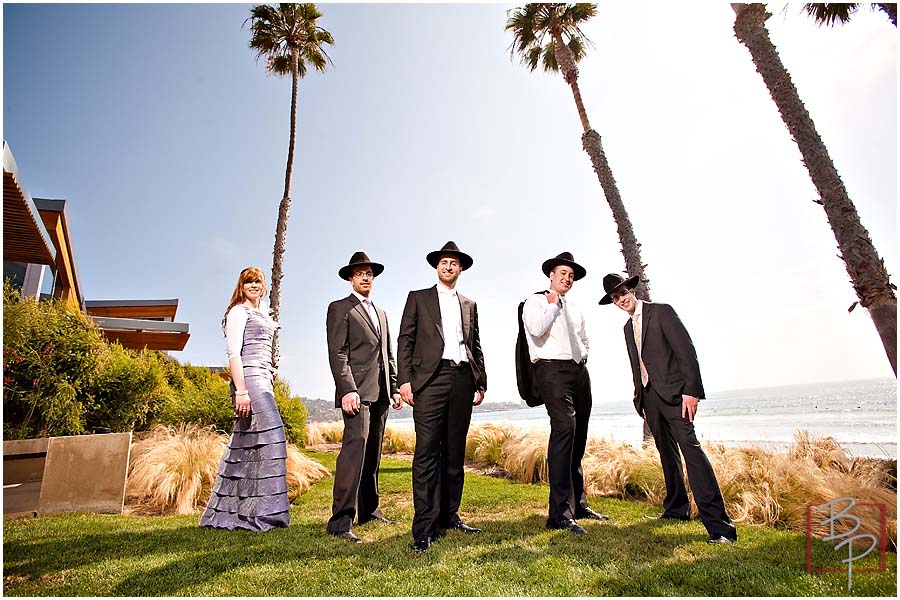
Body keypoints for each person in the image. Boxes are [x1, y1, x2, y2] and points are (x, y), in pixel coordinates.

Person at [599, 273, 737, 544]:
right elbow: (637, 365)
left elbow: (686, 351)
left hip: (676, 396)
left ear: (631, 289)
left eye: (623, 292)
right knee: (667, 454)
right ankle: (676, 509)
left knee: (691, 451)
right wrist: (640, 398)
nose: (621, 299)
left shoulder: (661, 312)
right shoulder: (627, 329)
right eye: (615, 298)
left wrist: (692, 391)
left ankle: (720, 528)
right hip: (650, 399)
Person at [397, 241, 487, 553]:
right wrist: (404, 381)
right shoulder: (418, 298)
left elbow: (475, 344)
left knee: (454, 454)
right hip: (429, 381)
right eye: (444, 262)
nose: (449, 267)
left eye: (454, 263)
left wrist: (480, 381)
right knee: (426, 455)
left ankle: (450, 516)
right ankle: (424, 527)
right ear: (438, 267)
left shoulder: (469, 303)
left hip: (463, 379)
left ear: (460, 268)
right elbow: (405, 339)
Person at [522, 252, 609, 535]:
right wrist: (551, 305)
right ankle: (558, 513)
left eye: (571, 275)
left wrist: (584, 356)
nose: (567, 278)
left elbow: (584, 339)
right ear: (551, 275)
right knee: (564, 429)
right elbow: (534, 330)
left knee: (578, 435)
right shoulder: (535, 301)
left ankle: (578, 504)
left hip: (579, 373)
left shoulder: (575, 309)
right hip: (552, 371)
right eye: (562, 273)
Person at [200, 267, 290, 531]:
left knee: (248, 447)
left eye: (257, 281)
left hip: (263, 375)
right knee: (274, 439)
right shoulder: (238, 312)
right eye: (248, 281)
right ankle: (263, 515)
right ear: (241, 286)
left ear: (263, 287)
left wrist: (270, 367)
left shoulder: (262, 312)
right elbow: (234, 355)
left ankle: (244, 512)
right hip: (249, 379)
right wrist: (240, 390)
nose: (253, 285)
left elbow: (261, 346)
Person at [325, 251, 403, 543]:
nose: (366, 277)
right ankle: (340, 521)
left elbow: (388, 354)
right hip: (356, 393)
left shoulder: (382, 313)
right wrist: (347, 389)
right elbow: (338, 353)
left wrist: (394, 387)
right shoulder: (340, 308)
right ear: (350, 278)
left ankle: (369, 510)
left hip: (381, 392)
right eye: (360, 274)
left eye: (369, 273)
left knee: (373, 454)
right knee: (353, 454)